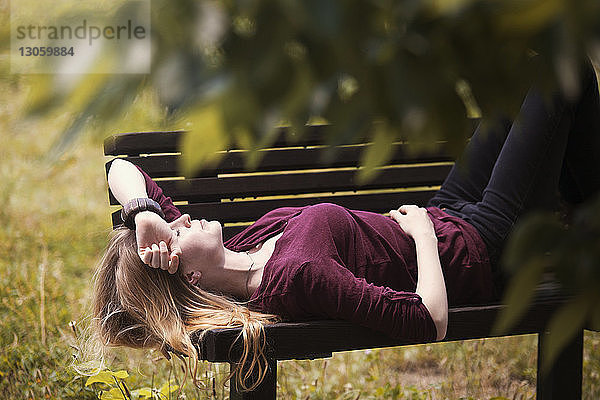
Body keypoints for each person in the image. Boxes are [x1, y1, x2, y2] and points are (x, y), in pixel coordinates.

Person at [93, 59, 600, 390]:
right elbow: (429, 321)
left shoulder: (235, 250)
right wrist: (423, 237)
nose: (182, 221)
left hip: (452, 209)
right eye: (177, 231)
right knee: (564, 71)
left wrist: (145, 214)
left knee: (524, 77)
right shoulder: (299, 277)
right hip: (482, 248)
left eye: (173, 224)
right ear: (193, 278)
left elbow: (123, 169)